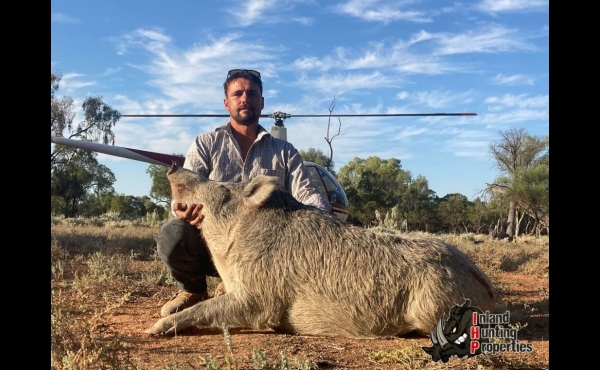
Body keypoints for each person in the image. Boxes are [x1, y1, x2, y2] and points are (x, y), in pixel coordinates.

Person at [155, 69, 332, 317]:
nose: (244, 98)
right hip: (214, 248)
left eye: (252, 93)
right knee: (172, 233)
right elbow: (187, 190)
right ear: (226, 102)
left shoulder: (285, 151)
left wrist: (325, 220)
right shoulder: (205, 143)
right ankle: (194, 291)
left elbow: (308, 194)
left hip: (265, 256)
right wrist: (181, 209)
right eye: (237, 93)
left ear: (262, 102)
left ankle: (251, 291)